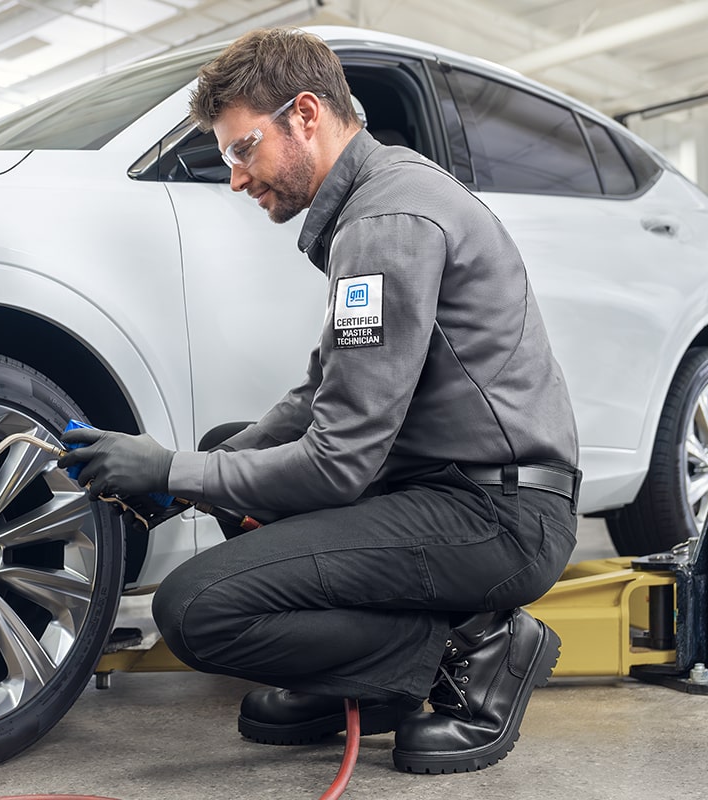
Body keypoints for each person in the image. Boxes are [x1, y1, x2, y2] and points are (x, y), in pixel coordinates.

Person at [58, 26, 581, 775]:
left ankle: (474, 651)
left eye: (243, 149)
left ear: (305, 115)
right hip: (444, 488)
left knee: (192, 610)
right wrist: (199, 468)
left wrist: (172, 470)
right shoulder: (378, 198)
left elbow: (337, 465)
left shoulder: (386, 224)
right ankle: (369, 683)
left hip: (495, 515)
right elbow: (319, 391)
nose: (235, 178)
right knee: (232, 440)